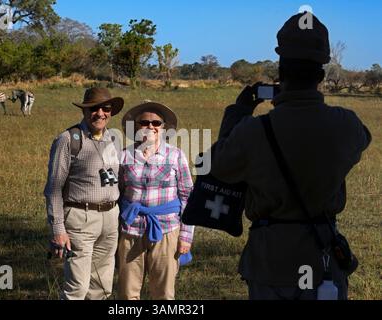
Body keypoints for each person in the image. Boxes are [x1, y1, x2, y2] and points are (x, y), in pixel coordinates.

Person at [210, 13, 372, 300]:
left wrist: (237, 112)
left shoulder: (252, 130)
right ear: (321, 76)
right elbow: (364, 137)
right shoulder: (345, 124)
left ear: (280, 74)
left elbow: (218, 166)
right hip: (322, 260)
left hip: (271, 261)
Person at [44, 87, 124, 300]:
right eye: (94, 108)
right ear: (85, 111)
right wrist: (58, 229)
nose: (100, 113)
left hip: (110, 217)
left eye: (105, 108)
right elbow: (53, 189)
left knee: (102, 286)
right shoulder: (68, 139)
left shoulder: (115, 140)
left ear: (111, 111)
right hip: (80, 218)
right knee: (77, 287)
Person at [117, 101, 194, 300]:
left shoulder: (176, 155)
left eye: (156, 123)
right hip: (131, 230)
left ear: (163, 127)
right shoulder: (124, 155)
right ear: (136, 126)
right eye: (144, 122)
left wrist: (186, 236)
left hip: (167, 229)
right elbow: (118, 193)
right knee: (127, 293)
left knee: (164, 293)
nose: (150, 127)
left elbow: (187, 196)